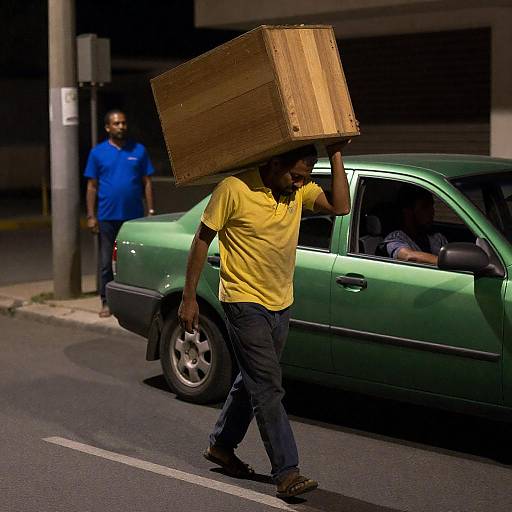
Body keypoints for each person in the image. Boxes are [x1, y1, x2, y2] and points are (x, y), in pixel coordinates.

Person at [178, 142, 351, 498]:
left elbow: (341, 207)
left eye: (304, 179)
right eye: (295, 176)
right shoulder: (234, 189)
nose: (299, 185)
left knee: (253, 379)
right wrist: (189, 297)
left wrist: (335, 154)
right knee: (269, 385)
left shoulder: (297, 192)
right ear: (273, 164)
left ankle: (222, 445)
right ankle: (287, 472)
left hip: (281, 302)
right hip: (243, 302)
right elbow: (201, 240)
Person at [84, 109, 155, 317]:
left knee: (134, 262)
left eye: (123, 123)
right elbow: (91, 186)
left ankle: (136, 303)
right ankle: (106, 302)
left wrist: (151, 211)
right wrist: (90, 216)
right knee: (106, 262)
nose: (121, 126)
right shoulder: (97, 153)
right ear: (108, 127)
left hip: (134, 218)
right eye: (116, 123)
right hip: (107, 217)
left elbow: (147, 183)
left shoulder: (139, 150)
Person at [384, 184, 448, 265]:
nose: (432, 211)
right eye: (425, 207)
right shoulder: (395, 239)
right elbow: (409, 256)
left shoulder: (437, 237)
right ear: (408, 212)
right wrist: (447, 263)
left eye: (432, 206)